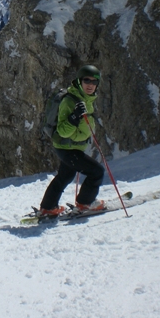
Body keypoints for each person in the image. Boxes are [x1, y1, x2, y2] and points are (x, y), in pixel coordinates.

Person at [39, 65, 106, 216]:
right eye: (86, 80)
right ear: (79, 81)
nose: (90, 84)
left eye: (94, 82)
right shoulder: (70, 101)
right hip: (68, 148)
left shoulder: (84, 98)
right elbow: (63, 131)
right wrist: (74, 117)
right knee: (96, 172)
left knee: (65, 176)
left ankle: (48, 208)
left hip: (70, 147)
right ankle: (85, 203)